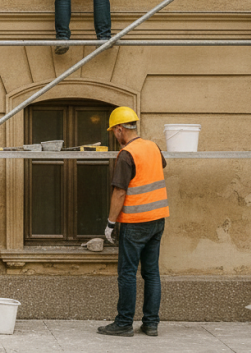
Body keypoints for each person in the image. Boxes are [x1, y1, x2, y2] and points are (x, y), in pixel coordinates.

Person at [98, 106, 169, 338]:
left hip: (135, 221)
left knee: (127, 273)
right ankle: (151, 324)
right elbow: (160, 166)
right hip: (158, 219)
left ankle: (124, 323)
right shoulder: (153, 147)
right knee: (151, 273)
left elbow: (119, 193)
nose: (114, 136)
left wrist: (110, 223)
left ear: (120, 129)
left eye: (114, 131)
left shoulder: (127, 154)